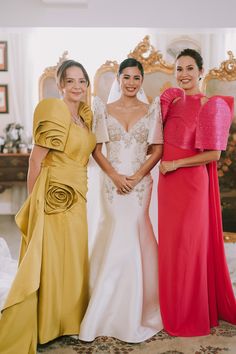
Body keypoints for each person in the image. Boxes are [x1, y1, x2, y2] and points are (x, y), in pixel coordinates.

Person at [0, 59, 96, 354]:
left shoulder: (84, 117)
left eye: (82, 81)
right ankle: (47, 323)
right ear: (60, 85)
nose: (77, 86)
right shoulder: (54, 111)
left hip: (78, 195)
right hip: (52, 195)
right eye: (70, 81)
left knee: (73, 256)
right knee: (52, 259)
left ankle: (68, 319)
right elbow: (35, 160)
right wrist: (32, 202)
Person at [79, 58, 163, 343]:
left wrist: (139, 175)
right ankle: (103, 308)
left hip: (140, 185)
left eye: (136, 78)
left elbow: (157, 149)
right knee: (116, 232)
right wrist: (114, 175)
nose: (131, 82)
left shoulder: (152, 109)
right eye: (126, 77)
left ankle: (137, 308)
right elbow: (97, 149)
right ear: (118, 78)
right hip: (112, 184)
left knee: (134, 232)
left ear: (141, 80)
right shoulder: (104, 109)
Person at [158, 48, 236, 337]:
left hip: (190, 184)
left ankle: (192, 311)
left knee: (189, 247)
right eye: (179, 69)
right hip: (167, 184)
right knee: (170, 247)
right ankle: (172, 305)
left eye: (190, 68)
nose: (184, 74)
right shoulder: (171, 102)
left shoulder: (210, 105)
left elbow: (213, 154)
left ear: (201, 71)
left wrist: (176, 163)